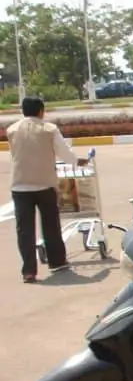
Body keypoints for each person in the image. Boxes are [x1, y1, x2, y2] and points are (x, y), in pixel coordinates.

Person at [7, 96, 82, 282]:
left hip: (20, 185)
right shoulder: (49, 129)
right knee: (50, 224)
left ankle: (28, 271)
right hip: (45, 184)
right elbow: (64, 153)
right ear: (41, 111)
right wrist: (77, 161)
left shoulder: (12, 130)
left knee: (24, 230)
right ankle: (57, 262)